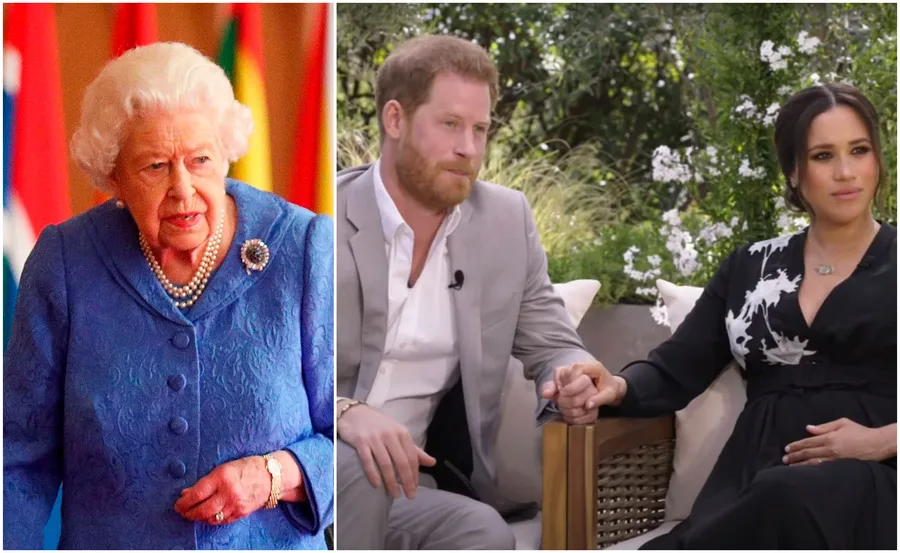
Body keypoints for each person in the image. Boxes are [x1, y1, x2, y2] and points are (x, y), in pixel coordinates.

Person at [3, 43, 334, 549]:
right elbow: (18, 459)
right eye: (155, 166)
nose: (183, 188)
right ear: (113, 176)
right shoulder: (66, 263)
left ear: (224, 152)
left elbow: (353, 433)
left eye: (200, 160)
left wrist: (277, 475)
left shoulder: (304, 251)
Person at [564, 82, 896, 549]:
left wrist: (884, 440)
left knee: (790, 494)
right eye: (823, 156)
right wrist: (616, 386)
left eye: (859, 151)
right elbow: (676, 367)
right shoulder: (750, 266)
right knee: (774, 495)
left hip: (875, 480)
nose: (846, 171)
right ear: (794, 173)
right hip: (754, 478)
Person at [335, 34, 605, 549]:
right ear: (395, 120)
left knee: (483, 534)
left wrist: (572, 373)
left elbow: (551, 342)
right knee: (357, 469)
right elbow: (266, 367)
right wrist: (346, 413)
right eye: (451, 124)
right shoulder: (318, 217)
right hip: (308, 468)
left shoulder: (505, 222)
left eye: (480, 129)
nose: (469, 148)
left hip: (406, 486)